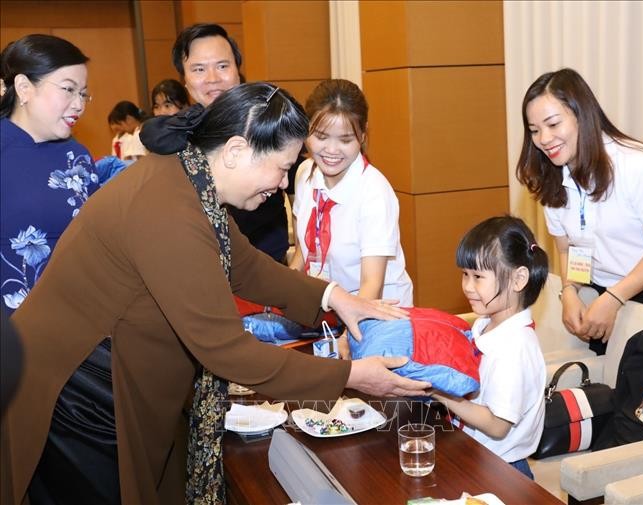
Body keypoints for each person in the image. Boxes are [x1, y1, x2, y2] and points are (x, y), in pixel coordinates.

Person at [1, 82, 430, 505]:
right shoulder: (169, 210)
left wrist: (335, 296)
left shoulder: (189, 179)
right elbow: (227, 351)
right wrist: (352, 376)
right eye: (281, 167)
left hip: (106, 365)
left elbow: (243, 264)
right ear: (236, 151)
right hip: (74, 383)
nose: (283, 183)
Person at [516, 68, 643, 354]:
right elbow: (572, 249)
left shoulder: (638, 166)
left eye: (553, 124)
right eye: (534, 130)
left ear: (581, 115)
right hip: (602, 295)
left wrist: (614, 298)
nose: (544, 139)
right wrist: (570, 291)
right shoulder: (552, 178)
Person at [289, 79, 414, 353]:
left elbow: (372, 284)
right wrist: (283, 293)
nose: (331, 151)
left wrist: (347, 337)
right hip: (330, 309)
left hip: (375, 316)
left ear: (363, 136)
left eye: (345, 140)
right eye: (321, 137)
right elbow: (303, 253)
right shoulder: (304, 174)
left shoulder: (374, 193)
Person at [160, 22, 294, 262]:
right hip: (204, 267)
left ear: (238, 70)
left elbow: (298, 183)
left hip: (267, 264)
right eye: (199, 69)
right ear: (185, 81)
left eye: (222, 66)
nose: (212, 79)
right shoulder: (176, 135)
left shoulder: (267, 119)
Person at [432, 215, 548, 479]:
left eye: (477, 277)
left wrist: (438, 391)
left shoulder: (515, 348)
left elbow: (497, 426)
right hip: (473, 453)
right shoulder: (485, 324)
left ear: (518, 280)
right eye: (464, 274)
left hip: (502, 470)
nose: (467, 287)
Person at [0, 34, 100, 314]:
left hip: (75, 320)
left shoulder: (77, 157)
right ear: (24, 87)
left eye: (83, 93)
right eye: (68, 89)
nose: (79, 104)